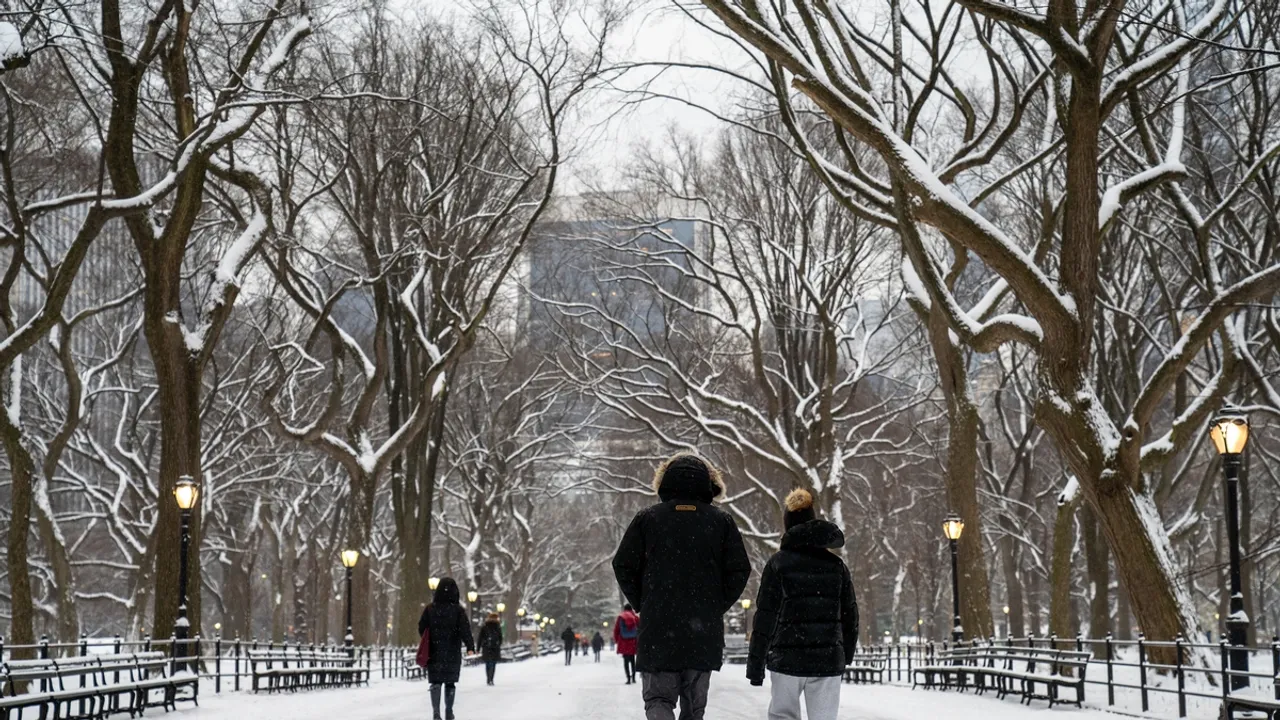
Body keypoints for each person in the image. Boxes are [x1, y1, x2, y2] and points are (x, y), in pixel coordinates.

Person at [612, 452, 752, 720]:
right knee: (694, 708)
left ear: (665, 483)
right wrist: (714, 605)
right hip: (702, 632)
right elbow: (739, 570)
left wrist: (645, 602)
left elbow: (623, 564)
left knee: (659, 700)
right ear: (708, 485)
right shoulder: (720, 521)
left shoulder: (648, 518)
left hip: (658, 630)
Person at [746, 489, 858, 720]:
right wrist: (844, 654)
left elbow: (765, 616)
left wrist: (756, 664)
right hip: (827, 658)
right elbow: (850, 614)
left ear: (788, 527)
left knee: (782, 715)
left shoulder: (778, 564)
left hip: (786, 659)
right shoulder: (836, 566)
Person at [417, 578, 476, 720]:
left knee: (435, 681)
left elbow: (421, 627)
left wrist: (430, 636)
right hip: (452, 651)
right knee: (450, 682)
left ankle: (436, 712)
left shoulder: (430, 609)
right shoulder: (458, 611)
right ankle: (449, 711)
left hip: (434, 651)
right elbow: (465, 630)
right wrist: (470, 646)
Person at [613, 603, 640, 684]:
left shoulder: (621, 617)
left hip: (624, 642)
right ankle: (634, 678)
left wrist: (617, 640)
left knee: (625, 661)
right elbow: (641, 628)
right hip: (633, 642)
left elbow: (616, 630)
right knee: (632, 660)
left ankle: (628, 678)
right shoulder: (635, 617)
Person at [477, 612, 504, 686]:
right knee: (492, 664)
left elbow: (480, 638)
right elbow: (500, 638)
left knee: (488, 664)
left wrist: (478, 648)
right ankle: (490, 679)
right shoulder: (497, 627)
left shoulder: (485, 626)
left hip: (486, 647)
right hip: (494, 648)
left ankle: (489, 678)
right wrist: (498, 644)